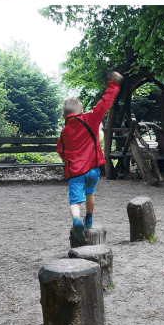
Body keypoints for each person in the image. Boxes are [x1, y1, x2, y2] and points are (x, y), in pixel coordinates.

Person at [56, 71, 123, 247]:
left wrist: (69, 159)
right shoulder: (90, 119)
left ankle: (77, 220)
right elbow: (104, 103)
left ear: (65, 116)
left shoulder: (64, 131)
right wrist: (113, 84)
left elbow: (60, 150)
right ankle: (90, 218)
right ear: (81, 111)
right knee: (90, 194)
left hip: (75, 172)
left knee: (74, 201)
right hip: (93, 169)